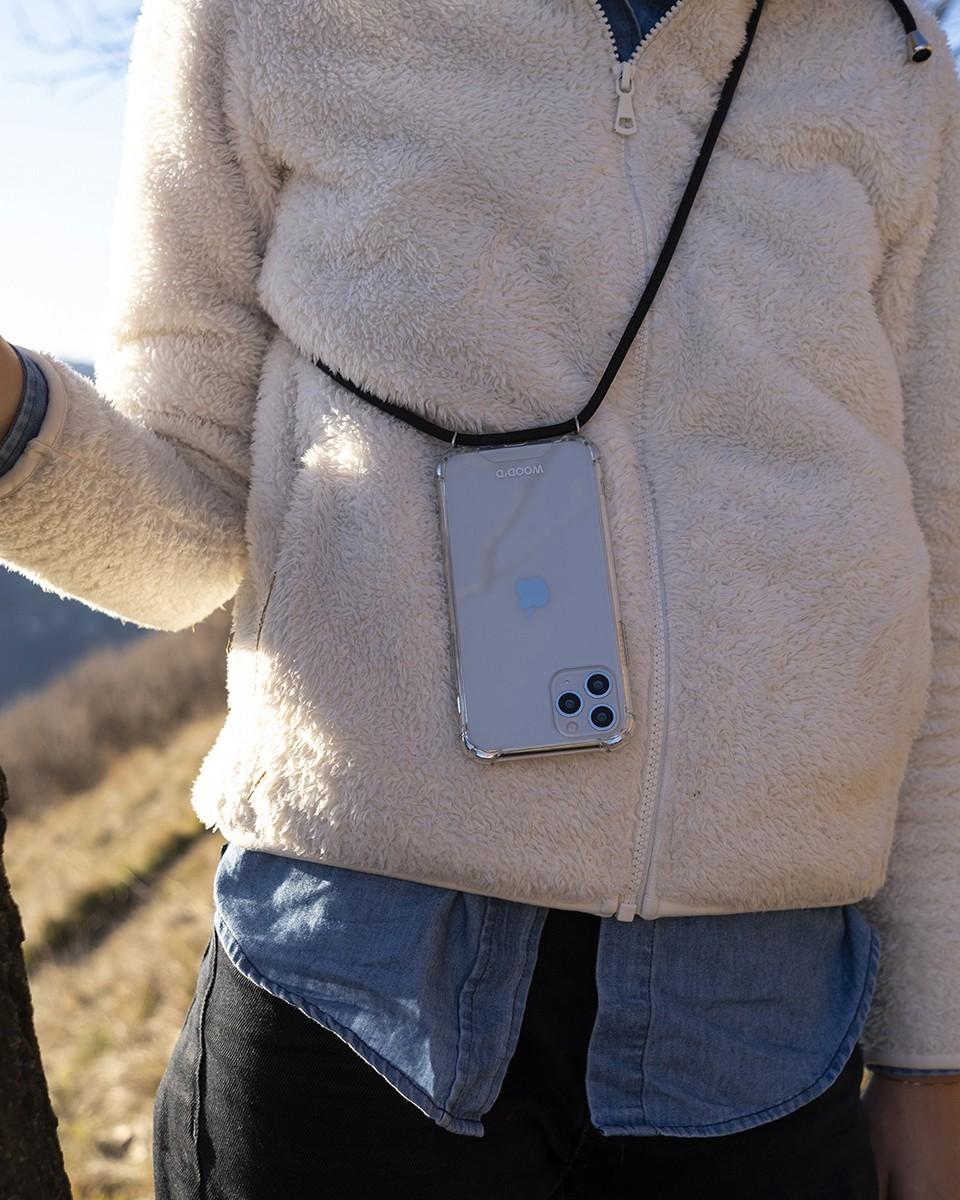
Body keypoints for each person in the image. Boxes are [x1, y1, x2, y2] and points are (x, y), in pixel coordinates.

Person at [1, 0, 959, 1196]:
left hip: (765, 1025)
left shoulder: (891, 62)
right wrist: (13, 432)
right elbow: (187, 531)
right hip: (356, 996)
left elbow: (938, 592)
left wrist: (931, 1055)